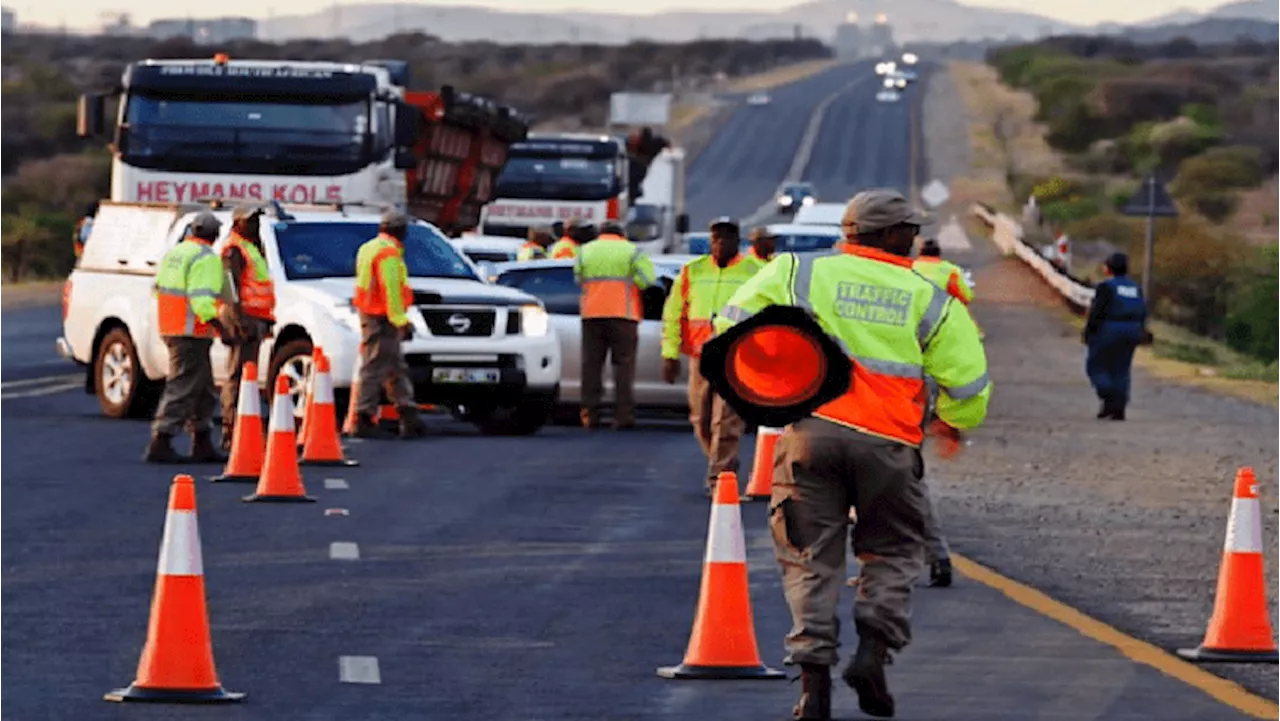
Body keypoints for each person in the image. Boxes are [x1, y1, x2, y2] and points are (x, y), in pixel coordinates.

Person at [714, 189, 990, 719]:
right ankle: (873, 653)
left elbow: (734, 325)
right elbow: (970, 382)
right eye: (908, 229)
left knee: (809, 559)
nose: (915, 238)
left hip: (810, 436)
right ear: (887, 235)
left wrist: (784, 377)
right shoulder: (927, 296)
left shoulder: (798, 272)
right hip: (887, 446)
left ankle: (813, 686)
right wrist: (953, 422)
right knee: (892, 552)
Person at [661, 217, 762, 495]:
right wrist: (670, 353)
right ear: (710, 241)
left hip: (736, 357)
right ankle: (719, 460)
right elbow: (673, 314)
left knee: (726, 419)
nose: (721, 243)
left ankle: (720, 475)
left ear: (736, 241)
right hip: (700, 355)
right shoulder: (692, 271)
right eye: (716, 238)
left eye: (727, 238)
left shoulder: (753, 272)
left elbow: (767, 313)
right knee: (700, 417)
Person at [145, 210, 231, 464]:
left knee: (203, 387)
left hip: (172, 327)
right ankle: (162, 439)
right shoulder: (206, 258)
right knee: (183, 385)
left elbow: (159, 288)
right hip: (191, 331)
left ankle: (201, 440)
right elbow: (202, 300)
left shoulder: (176, 254)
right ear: (215, 235)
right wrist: (221, 326)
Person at [350, 210, 429, 440]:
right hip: (381, 316)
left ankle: (409, 415)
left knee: (395, 365)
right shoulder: (389, 253)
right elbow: (391, 289)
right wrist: (400, 320)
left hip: (371, 312)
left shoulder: (369, 247)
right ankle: (363, 416)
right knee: (374, 366)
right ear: (400, 230)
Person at [574, 220, 657, 430]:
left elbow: (578, 278)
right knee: (623, 367)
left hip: (592, 314)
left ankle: (590, 415)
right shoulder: (632, 251)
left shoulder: (585, 250)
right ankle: (623, 416)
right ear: (621, 234)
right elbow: (648, 280)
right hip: (624, 314)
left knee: (591, 366)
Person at [217, 204, 276, 451]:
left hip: (255, 318)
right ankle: (231, 430)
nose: (256, 224)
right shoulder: (234, 250)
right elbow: (229, 289)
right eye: (250, 220)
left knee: (247, 375)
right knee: (238, 374)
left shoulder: (252, 247)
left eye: (257, 220)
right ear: (238, 223)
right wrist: (239, 322)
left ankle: (241, 428)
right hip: (242, 319)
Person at [1083, 252, 1148, 421]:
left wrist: (1089, 332)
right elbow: (1143, 311)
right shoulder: (1135, 288)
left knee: (1096, 366)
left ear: (1108, 268)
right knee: (1121, 369)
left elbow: (1097, 312)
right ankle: (1118, 407)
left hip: (1110, 329)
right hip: (1132, 329)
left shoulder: (1106, 287)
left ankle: (1110, 397)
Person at [912, 238, 973, 305]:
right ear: (938, 253)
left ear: (920, 253)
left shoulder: (910, 266)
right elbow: (966, 297)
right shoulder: (952, 270)